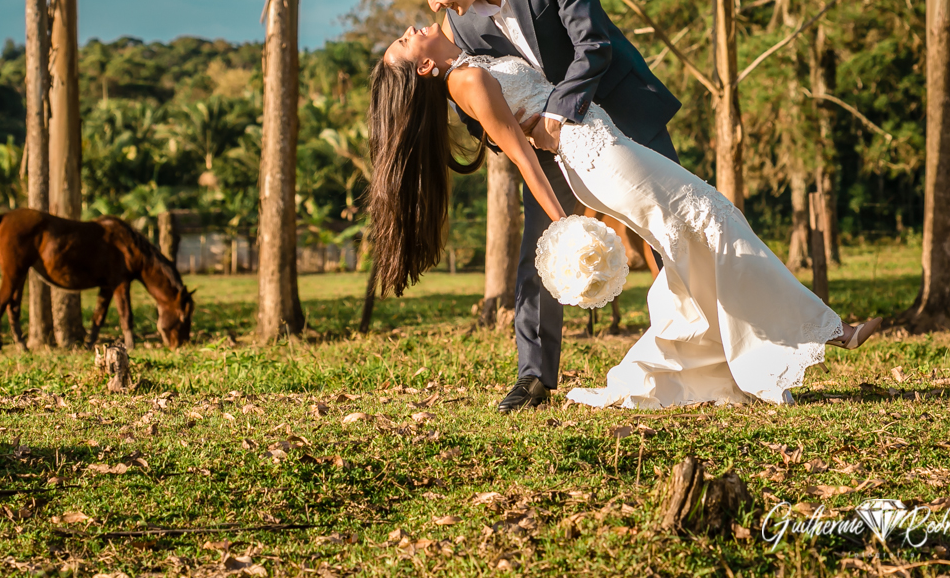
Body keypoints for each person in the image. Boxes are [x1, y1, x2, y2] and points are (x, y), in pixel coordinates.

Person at [368, 23, 882, 410]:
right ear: (423, 69)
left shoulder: (472, 54)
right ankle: (825, 331)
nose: (411, 29)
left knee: (694, 245)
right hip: (595, 156)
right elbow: (524, 155)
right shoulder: (467, 81)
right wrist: (564, 223)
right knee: (714, 219)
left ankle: (712, 366)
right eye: (404, 43)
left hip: (602, 143)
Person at [391, 0, 682, 412]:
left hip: (620, 111)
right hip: (546, 150)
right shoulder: (461, 25)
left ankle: (694, 341)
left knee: (669, 230)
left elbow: (594, 47)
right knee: (539, 253)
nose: (435, 7)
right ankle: (535, 377)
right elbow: (479, 90)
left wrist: (556, 115)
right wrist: (521, 134)